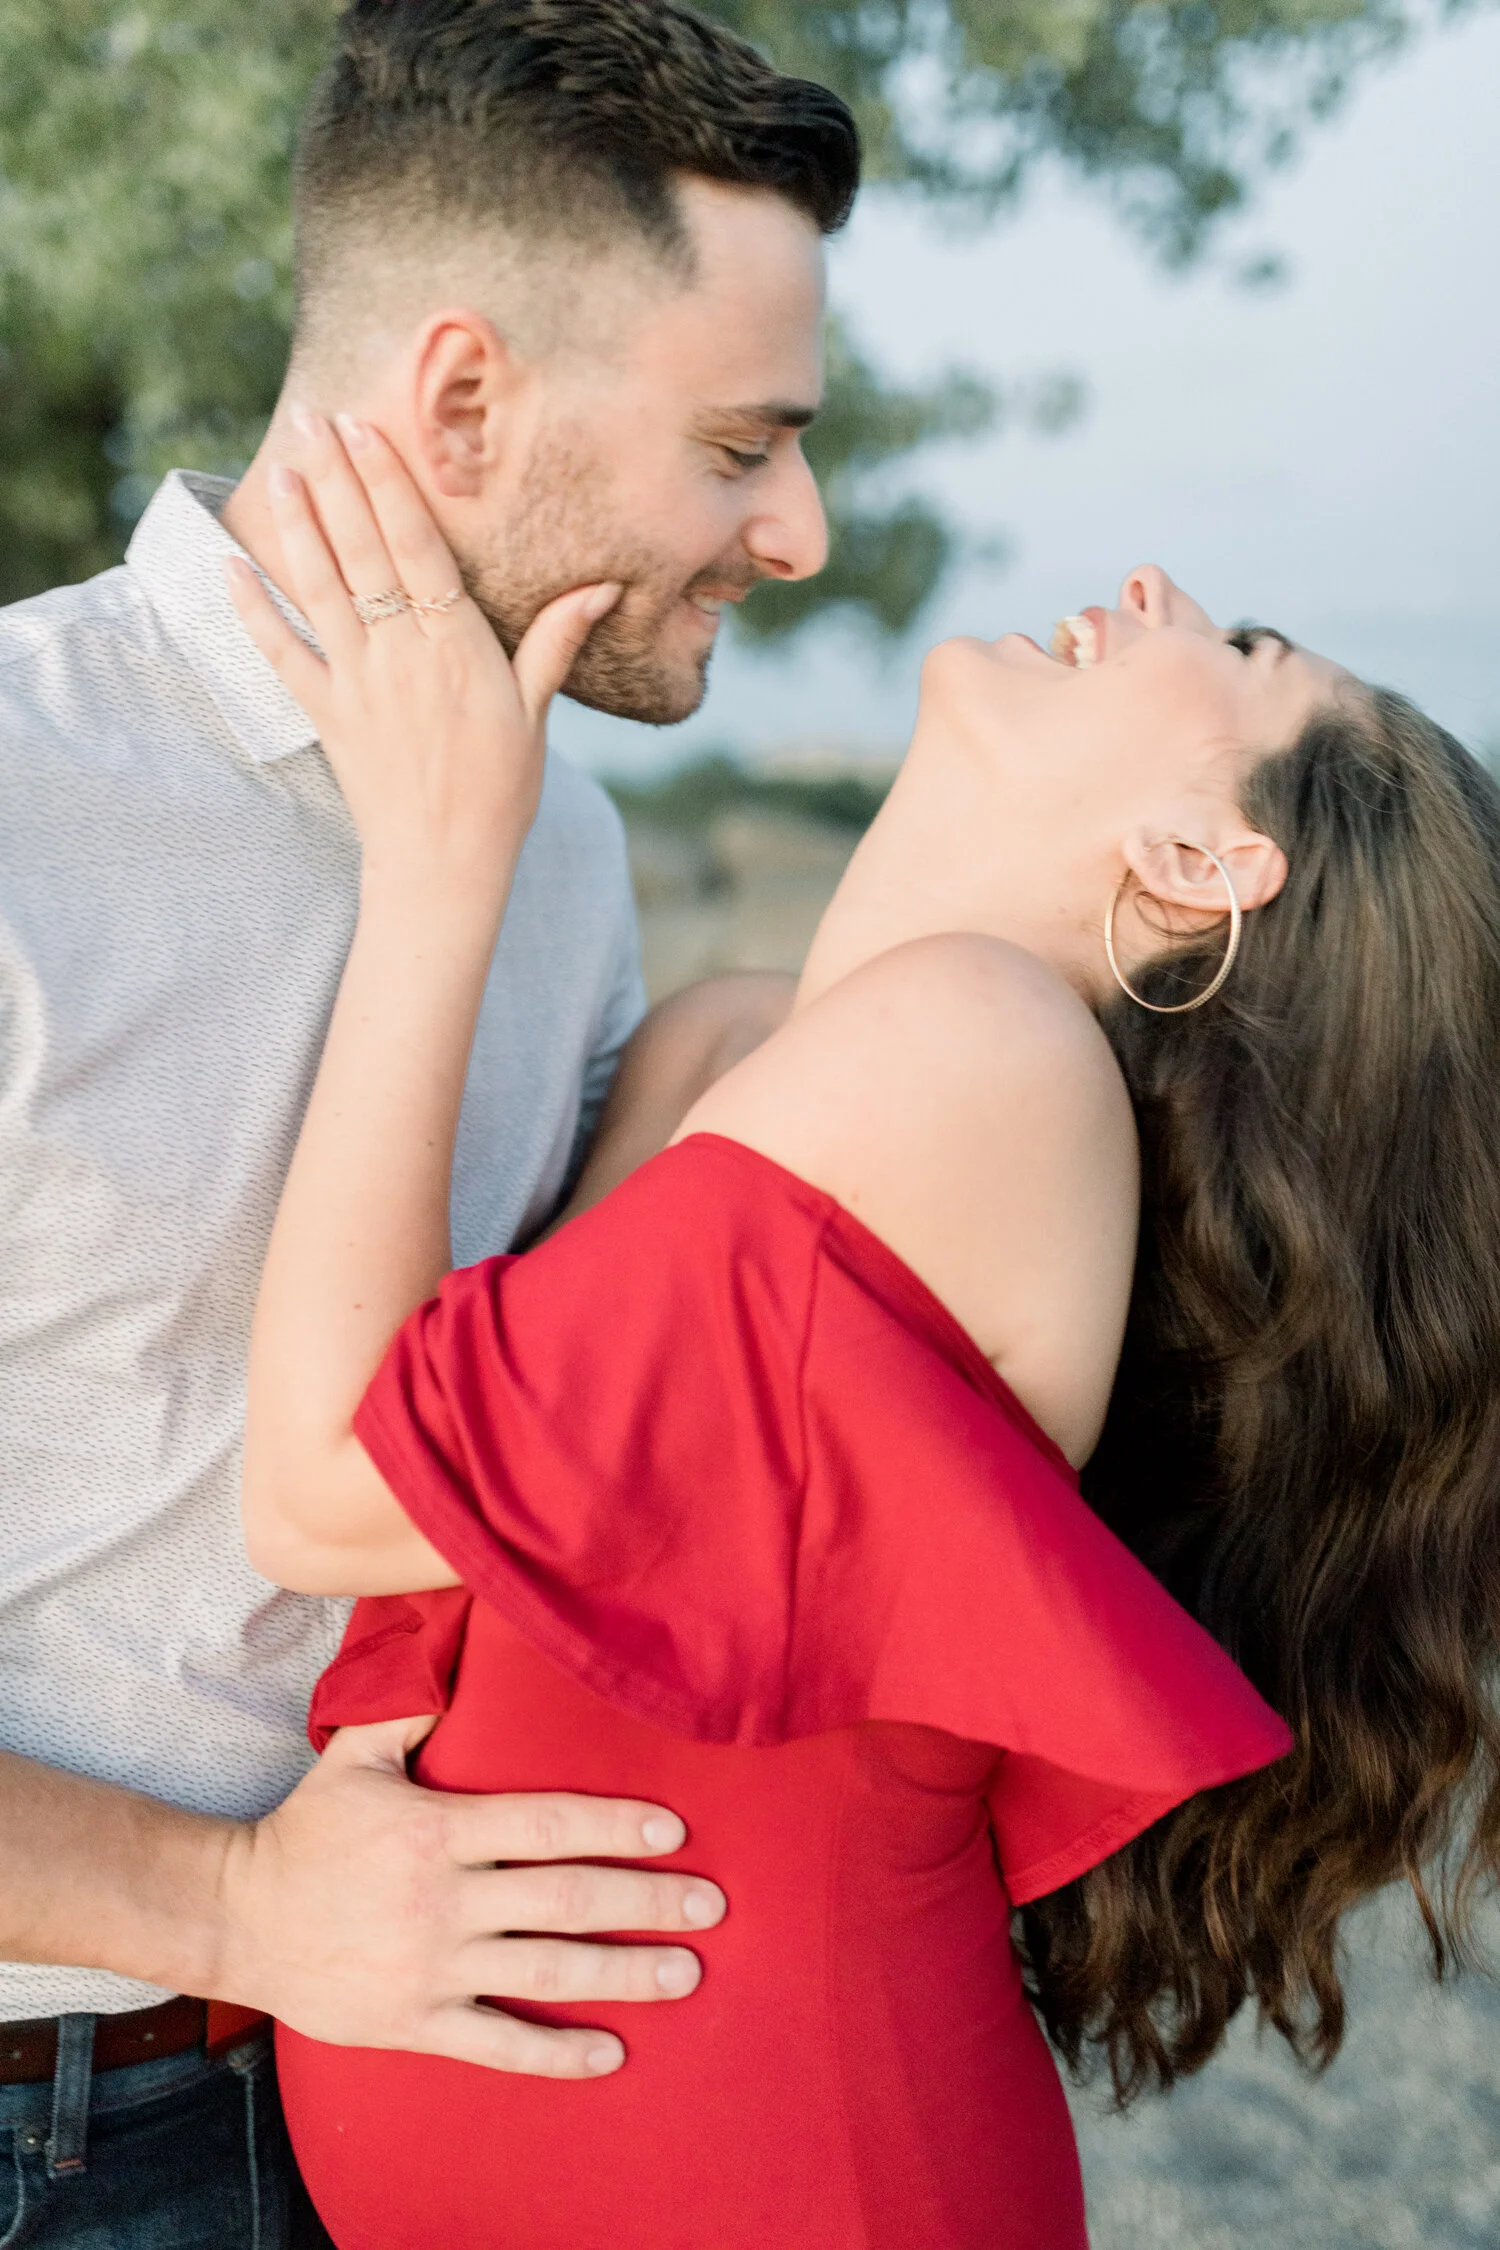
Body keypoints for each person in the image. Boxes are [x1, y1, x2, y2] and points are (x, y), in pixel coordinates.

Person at [231, 400, 1500, 2246]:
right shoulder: (735, 1044)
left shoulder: (986, 1049)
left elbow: (330, 1488)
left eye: (1238, 653)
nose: (1157, 587)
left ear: (1207, 858)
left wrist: (439, 862)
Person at [0, 3, 858, 2239]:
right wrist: (239, 1910)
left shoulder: (557, 839)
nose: (802, 532)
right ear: (463, 398)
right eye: (747, 446)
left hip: (408, 2097)